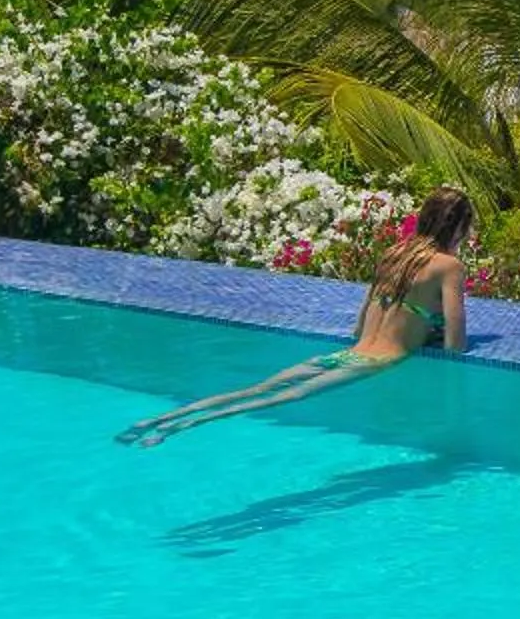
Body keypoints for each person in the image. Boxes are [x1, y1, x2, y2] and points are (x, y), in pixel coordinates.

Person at [117, 187, 476, 448]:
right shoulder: (449, 267)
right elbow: (456, 345)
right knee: (283, 398)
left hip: (349, 354)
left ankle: (163, 420)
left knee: (259, 389)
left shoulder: (396, 253)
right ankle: (174, 430)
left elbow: (360, 321)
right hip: (374, 362)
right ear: (459, 229)